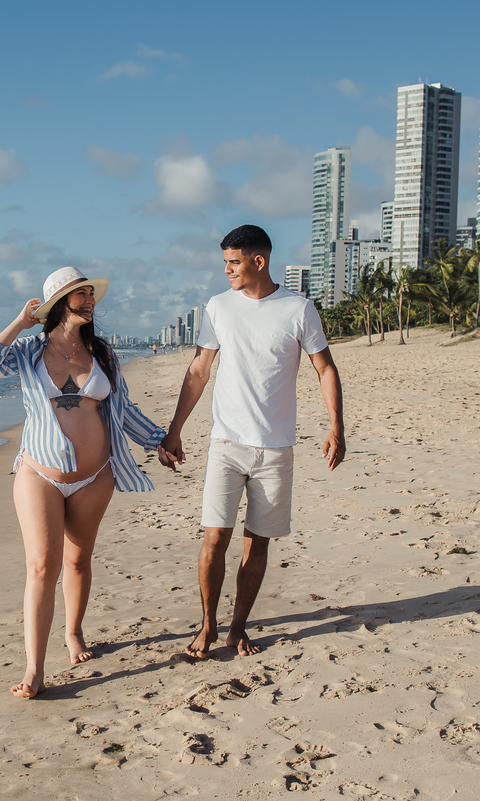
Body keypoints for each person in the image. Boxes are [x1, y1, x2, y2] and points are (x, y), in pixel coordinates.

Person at [0, 266, 168, 697]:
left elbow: (124, 410)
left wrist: (159, 441)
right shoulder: (28, 350)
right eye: (80, 294)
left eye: (90, 293)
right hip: (39, 473)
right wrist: (19, 323)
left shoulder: (102, 354)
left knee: (78, 561)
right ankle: (34, 669)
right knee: (43, 565)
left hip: (95, 476)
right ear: (58, 304)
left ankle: (74, 633)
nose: (90, 300)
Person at [158, 224, 345, 658]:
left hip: (275, 448)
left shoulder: (298, 309)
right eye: (225, 262)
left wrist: (336, 426)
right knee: (214, 539)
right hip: (226, 443)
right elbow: (199, 370)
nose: (227, 270)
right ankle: (208, 624)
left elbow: (325, 368)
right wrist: (174, 428)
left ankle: (237, 627)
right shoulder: (218, 307)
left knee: (257, 542)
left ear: (258, 261)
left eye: (234, 262)